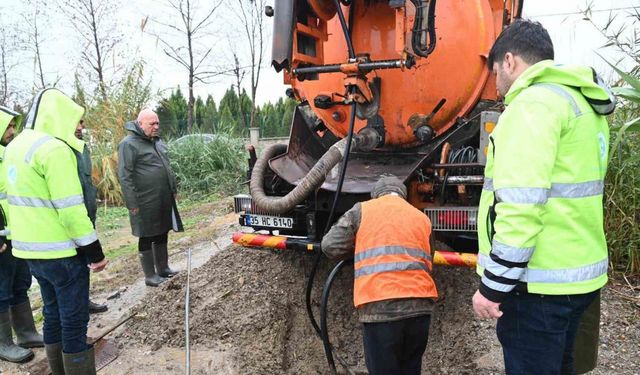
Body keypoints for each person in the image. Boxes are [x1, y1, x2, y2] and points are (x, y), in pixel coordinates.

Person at [472, 20, 615, 375]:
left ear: (509, 61)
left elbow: (520, 206)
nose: (496, 84)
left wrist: (492, 287)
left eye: (494, 72)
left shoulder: (532, 105)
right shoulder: (583, 105)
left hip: (538, 286)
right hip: (578, 277)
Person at [4, 89, 109, 374]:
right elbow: (71, 209)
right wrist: (95, 251)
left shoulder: (15, 146)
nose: (79, 126)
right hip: (62, 253)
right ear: (60, 115)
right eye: (76, 119)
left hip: (29, 251)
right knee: (74, 322)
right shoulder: (54, 149)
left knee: (52, 315)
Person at [322, 175, 438, 375]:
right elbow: (430, 257)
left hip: (381, 308)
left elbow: (330, 246)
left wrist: (357, 247)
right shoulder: (422, 218)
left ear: (375, 196)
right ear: (403, 196)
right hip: (419, 310)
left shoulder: (363, 210)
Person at [117, 109, 183, 287]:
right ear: (140, 124)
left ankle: (163, 268)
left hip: (163, 197)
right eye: (151, 124)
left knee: (162, 231)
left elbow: (167, 167)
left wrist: (173, 189)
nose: (156, 127)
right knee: (146, 235)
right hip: (143, 200)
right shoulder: (128, 144)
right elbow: (125, 176)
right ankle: (150, 275)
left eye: (157, 123)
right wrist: (131, 202)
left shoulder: (157, 142)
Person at [0, 106, 44, 363]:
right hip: (1, 238)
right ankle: (4, 343)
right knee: (1, 289)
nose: (12, 131)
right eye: (8, 126)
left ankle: (26, 333)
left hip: (17, 234)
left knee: (19, 283)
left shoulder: (9, 155)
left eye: (14, 126)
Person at [74, 119, 108, 314]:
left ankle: (84, 300)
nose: (81, 127)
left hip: (86, 214)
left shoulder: (82, 148)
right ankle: (77, 305)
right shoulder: (60, 151)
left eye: (82, 123)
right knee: (72, 269)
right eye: (76, 123)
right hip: (72, 217)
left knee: (83, 263)